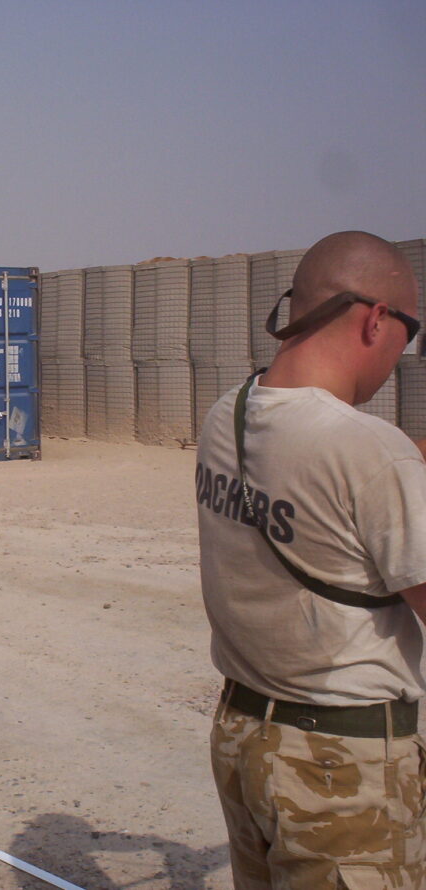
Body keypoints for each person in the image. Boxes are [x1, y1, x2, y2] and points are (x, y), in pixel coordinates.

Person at [196, 231, 426, 888]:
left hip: (246, 739)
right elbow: (361, 461)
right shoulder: (373, 456)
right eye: (406, 337)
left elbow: (315, 456)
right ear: (377, 319)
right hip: (343, 773)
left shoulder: (226, 417)